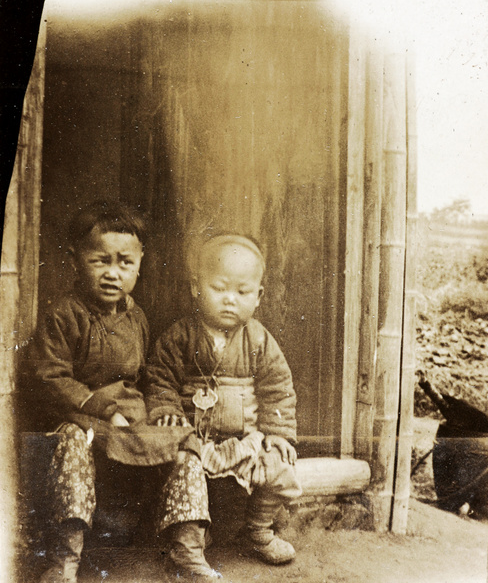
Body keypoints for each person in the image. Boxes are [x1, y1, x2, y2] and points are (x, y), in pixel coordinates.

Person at [26, 202, 197, 583]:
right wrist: (101, 409)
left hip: (126, 417)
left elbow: (149, 375)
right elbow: (51, 377)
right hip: (77, 414)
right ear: (74, 260)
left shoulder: (137, 318)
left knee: (184, 443)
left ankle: (188, 549)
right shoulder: (64, 314)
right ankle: (63, 557)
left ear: (139, 265)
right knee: (72, 442)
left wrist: (163, 407)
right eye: (100, 261)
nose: (112, 274)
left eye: (124, 263)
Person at [146, 233, 302, 582]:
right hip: (194, 440)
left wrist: (278, 435)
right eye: (219, 288)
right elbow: (160, 378)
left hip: (245, 439)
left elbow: (278, 390)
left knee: (279, 466)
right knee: (184, 469)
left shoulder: (259, 340)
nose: (230, 300)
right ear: (196, 287)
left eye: (242, 292)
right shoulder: (180, 336)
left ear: (258, 296)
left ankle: (257, 531)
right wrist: (165, 409)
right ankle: (187, 550)